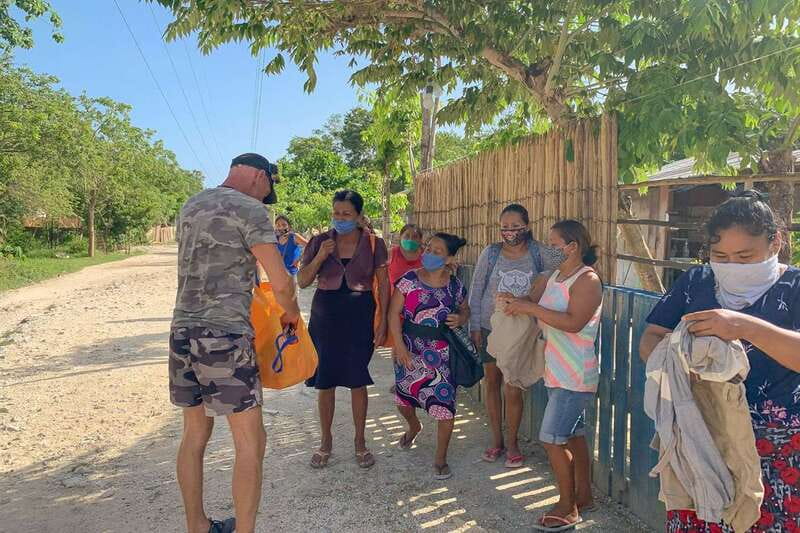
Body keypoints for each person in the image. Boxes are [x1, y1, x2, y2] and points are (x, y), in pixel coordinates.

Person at [640, 190, 800, 533]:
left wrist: (743, 326)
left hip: (777, 447)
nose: (732, 267)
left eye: (745, 256)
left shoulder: (795, 287)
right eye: (721, 256)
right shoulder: (695, 282)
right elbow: (651, 339)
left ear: (775, 244)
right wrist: (684, 361)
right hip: (702, 436)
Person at [169, 153, 301, 533]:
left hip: (182, 331)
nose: (266, 197)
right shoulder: (251, 210)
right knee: (250, 441)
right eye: (268, 188)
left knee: (194, 435)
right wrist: (289, 312)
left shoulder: (191, 205)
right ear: (261, 176)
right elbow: (279, 281)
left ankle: (197, 525)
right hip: (225, 336)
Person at [499, 219, 602, 531]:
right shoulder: (556, 276)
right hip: (556, 370)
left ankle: (567, 506)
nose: (549, 249)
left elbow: (573, 323)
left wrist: (529, 309)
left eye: (554, 244)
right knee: (573, 435)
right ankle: (583, 495)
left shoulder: (588, 281)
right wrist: (515, 302)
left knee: (551, 439)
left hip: (575, 374)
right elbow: (535, 305)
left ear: (572, 246)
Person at [298, 190, 390, 469]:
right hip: (325, 316)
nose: (340, 218)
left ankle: (360, 443)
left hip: (360, 315)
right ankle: (325, 442)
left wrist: (383, 319)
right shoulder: (319, 242)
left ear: (359, 216)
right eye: (336, 213)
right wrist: (319, 257)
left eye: (346, 214)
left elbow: (384, 284)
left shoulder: (375, 244)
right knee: (324, 381)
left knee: (357, 380)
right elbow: (302, 281)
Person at [469, 204, 562, 467]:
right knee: (492, 384)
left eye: (515, 226)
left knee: (514, 387)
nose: (509, 232)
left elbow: (567, 264)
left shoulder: (539, 252)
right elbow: (477, 289)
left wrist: (543, 281)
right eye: (504, 227)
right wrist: (475, 326)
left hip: (522, 333)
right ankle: (496, 440)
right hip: (490, 328)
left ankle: (512, 443)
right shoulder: (491, 253)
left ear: (527, 226)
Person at [389, 232, 470, 480]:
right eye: (428, 249)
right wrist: (399, 347)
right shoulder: (408, 281)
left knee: (444, 407)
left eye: (437, 252)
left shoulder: (455, 286)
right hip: (410, 350)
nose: (428, 254)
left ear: (448, 259)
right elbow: (393, 314)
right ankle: (414, 426)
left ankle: (440, 458)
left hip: (443, 355)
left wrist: (461, 318)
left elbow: (465, 310)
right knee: (404, 402)